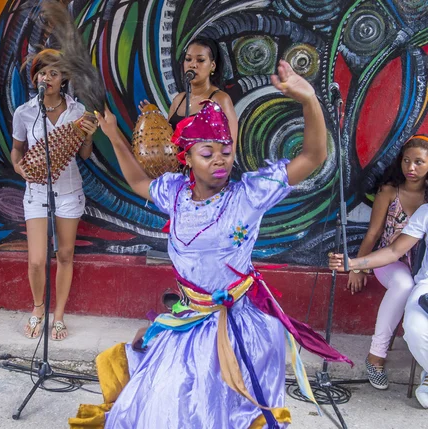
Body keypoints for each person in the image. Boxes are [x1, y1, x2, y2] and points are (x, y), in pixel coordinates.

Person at [68, 60, 351, 429]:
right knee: (164, 398)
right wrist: (112, 134)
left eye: (226, 151)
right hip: (189, 316)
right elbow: (138, 181)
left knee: (217, 406)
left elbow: (314, 156)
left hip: (238, 324)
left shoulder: (249, 195)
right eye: (207, 153)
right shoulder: (175, 193)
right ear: (186, 159)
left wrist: (309, 99)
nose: (220, 159)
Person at [11, 49, 97, 341]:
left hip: (69, 191)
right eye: (42, 72)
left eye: (54, 73)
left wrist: (88, 135)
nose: (47, 78)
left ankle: (58, 315)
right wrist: (18, 168)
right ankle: (38, 309)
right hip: (35, 191)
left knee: (65, 254)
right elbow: (17, 150)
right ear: (35, 77)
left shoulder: (78, 111)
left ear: (64, 79)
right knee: (36, 260)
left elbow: (84, 154)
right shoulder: (24, 112)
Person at [329, 191, 428, 408]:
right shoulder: (425, 212)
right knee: (414, 328)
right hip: (426, 288)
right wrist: (354, 264)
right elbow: (393, 250)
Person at [347, 136, 428, 389]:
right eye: (406, 161)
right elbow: (373, 233)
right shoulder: (390, 191)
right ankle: (376, 357)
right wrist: (359, 266)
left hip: (420, 266)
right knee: (403, 285)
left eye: (419, 162)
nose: (411, 168)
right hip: (390, 261)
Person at [140, 38, 238, 137]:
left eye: (200, 60)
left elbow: (229, 148)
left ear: (212, 66)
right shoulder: (179, 100)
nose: (192, 65)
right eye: (188, 59)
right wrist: (155, 118)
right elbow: (170, 141)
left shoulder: (220, 99)